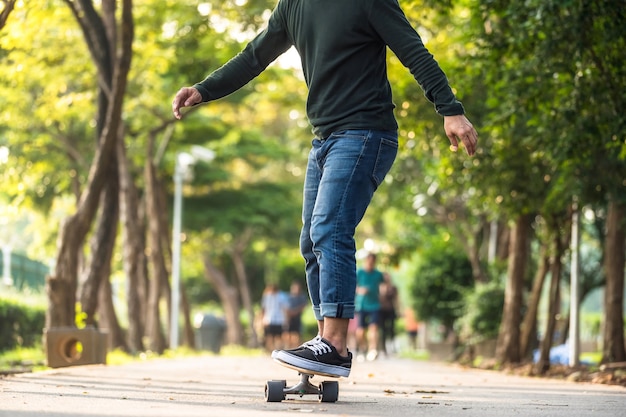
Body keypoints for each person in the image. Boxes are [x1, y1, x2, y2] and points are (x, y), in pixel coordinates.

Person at [173, 0, 477, 378]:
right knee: (311, 240)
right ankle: (325, 342)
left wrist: (450, 108)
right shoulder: (293, 5)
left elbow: (413, 50)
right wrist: (204, 90)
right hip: (325, 140)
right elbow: (254, 57)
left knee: (330, 228)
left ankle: (334, 343)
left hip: (367, 132)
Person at [355, 253, 384, 361]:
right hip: (361, 304)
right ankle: (362, 349)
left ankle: (373, 350)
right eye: (369, 261)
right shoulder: (359, 272)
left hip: (375, 304)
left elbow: (382, 286)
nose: (370, 264)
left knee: (374, 328)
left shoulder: (378, 274)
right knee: (361, 330)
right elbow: (353, 286)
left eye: (373, 262)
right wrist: (360, 290)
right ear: (366, 261)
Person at [261, 284, 288, 352]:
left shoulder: (281, 296)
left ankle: (277, 349)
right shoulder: (267, 297)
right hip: (269, 319)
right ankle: (270, 349)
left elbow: (284, 308)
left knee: (278, 336)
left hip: (279, 319)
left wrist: (285, 319)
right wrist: (263, 318)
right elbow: (264, 308)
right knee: (269, 336)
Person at [283, 281, 309, 348]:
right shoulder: (289, 297)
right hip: (289, 317)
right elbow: (285, 307)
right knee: (288, 333)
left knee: (297, 333)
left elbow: (304, 306)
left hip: (297, 317)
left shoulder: (302, 296)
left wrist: (295, 311)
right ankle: (289, 347)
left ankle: (296, 347)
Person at [379, 272, 399, 356]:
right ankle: (383, 349)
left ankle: (392, 346)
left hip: (391, 310)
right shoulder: (380, 287)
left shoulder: (393, 287)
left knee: (392, 328)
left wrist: (398, 310)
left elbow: (397, 299)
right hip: (381, 310)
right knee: (383, 330)